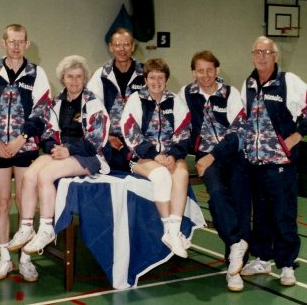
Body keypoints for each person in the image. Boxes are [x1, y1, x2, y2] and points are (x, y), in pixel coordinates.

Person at [240, 36, 307, 286]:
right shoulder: (249, 84)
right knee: (262, 216)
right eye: (258, 51)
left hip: (281, 166)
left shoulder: (289, 81)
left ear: (275, 56)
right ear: (252, 55)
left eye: (267, 52)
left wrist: (296, 136)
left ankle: (287, 265)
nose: (262, 56)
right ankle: (263, 259)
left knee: (283, 215)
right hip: (255, 166)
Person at [6, 55, 110, 254]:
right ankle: (26, 227)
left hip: (89, 155)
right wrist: (54, 147)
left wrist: (69, 150)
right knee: (29, 175)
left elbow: (96, 140)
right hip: (62, 152)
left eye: (79, 77)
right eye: (70, 76)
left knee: (46, 175)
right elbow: (47, 132)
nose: (74, 81)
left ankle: (47, 229)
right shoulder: (56, 102)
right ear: (63, 78)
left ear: (85, 78)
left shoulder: (93, 102)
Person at [0, 24, 51, 282]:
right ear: (3, 43)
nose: (16, 46)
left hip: (25, 147)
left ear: (27, 44)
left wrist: (22, 139)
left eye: (21, 41)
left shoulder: (37, 73)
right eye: (12, 41)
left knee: (25, 204)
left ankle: (25, 258)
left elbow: (42, 110)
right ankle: (4, 258)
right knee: (1, 202)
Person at [178, 50, 251, 292]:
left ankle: (234, 270)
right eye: (200, 70)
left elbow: (238, 132)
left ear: (217, 70)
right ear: (193, 72)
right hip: (206, 160)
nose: (205, 75)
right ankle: (235, 245)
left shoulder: (231, 94)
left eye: (210, 70)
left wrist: (211, 156)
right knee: (218, 194)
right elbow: (177, 127)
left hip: (232, 156)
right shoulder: (186, 94)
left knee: (240, 205)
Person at [121, 58, 191, 258]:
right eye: (152, 77)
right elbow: (130, 132)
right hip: (143, 157)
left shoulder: (175, 101)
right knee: (161, 176)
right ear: (146, 79)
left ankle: (173, 233)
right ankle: (168, 227)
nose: (156, 81)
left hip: (170, 155)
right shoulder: (136, 100)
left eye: (161, 77)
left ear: (166, 80)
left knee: (182, 174)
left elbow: (184, 131)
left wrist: (174, 155)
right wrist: (154, 155)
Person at [87, 27, 145, 172]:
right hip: (111, 140)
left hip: (140, 140)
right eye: (117, 45)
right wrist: (107, 137)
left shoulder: (146, 73)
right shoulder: (101, 75)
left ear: (132, 46)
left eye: (126, 44)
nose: (122, 49)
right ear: (111, 47)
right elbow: (92, 111)